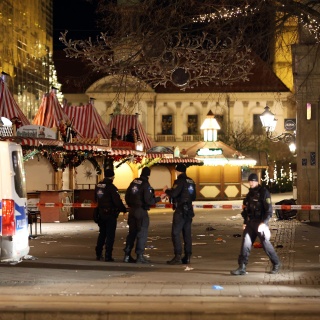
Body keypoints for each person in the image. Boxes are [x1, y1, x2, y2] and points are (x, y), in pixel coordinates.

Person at [231, 173, 281, 275]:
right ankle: (242, 267)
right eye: (250, 181)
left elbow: (269, 210)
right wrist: (245, 222)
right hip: (250, 223)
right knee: (245, 244)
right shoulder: (249, 194)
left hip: (260, 223)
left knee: (265, 244)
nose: (251, 183)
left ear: (257, 181)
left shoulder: (264, 192)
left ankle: (276, 263)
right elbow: (246, 210)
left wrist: (264, 223)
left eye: (253, 181)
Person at [123, 167, 161, 264]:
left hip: (132, 210)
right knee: (142, 233)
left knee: (131, 233)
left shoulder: (134, 182)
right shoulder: (145, 184)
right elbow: (148, 200)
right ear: (148, 175)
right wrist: (157, 199)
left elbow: (127, 196)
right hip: (141, 211)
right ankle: (139, 256)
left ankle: (127, 255)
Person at [163, 163, 196, 265]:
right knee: (187, 234)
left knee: (175, 233)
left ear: (178, 171)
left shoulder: (179, 181)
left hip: (181, 210)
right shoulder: (191, 181)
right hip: (189, 210)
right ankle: (188, 256)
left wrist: (167, 190)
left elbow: (174, 193)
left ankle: (177, 256)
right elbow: (194, 196)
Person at [95, 168, 127, 262]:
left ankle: (98, 253)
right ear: (112, 177)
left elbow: (95, 198)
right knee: (110, 235)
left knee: (102, 233)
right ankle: (108, 255)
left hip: (100, 213)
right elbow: (117, 201)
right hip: (110, 214)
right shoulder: (111, 187)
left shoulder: (98, 186)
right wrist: (123, 209)